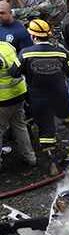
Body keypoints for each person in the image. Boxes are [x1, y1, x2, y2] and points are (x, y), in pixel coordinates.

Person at [14, 19, 69, 175]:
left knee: (45, 129)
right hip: (61, 95)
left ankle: (52, 164)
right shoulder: (61, 52)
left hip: (38, 100)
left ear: (32, 36)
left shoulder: (25, 53)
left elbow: (14, 73)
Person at [0, 39, 35, 171]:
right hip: (19, 94)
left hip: (3, 99)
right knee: (20, 126)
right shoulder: (7, 46)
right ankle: (30, 157)